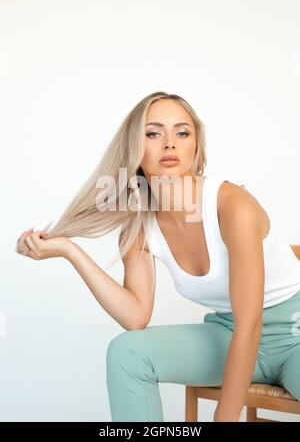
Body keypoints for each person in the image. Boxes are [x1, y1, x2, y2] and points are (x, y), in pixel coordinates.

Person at [15, 91, 300, 422]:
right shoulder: (139, 226)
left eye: (182, 132)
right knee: (128, 351)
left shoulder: (232, 206)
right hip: (228, 333)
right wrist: (70, 250)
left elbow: (251, 325)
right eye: (153, 133)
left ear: (196, 147)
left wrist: (224, 418)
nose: (169, 144)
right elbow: (135, 317)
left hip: (293, 334)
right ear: (135, 148)